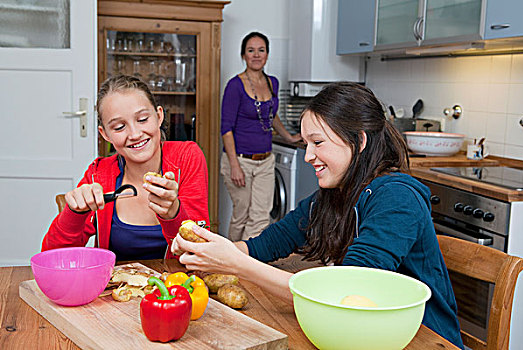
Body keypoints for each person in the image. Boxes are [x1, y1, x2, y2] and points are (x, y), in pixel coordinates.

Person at [173, 82, 464, 348]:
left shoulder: (397, 197)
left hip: (422, 339)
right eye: (307, 144)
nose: (308, 155)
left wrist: (237, 265)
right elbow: (269, 243)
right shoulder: (335, 194)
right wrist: (209, 252)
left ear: (359, 141)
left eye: (318, 142)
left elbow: (342, 292)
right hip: (362, 337)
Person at [42, 75, 210, 260]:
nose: (135, 134)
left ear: (159, 116)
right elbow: (53, 258)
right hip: (117, 288)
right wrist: (74, 213)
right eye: (120, 127)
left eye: (143, 119)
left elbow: (200, 255)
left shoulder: (187, 157)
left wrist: (173, 214)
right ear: (105, 134)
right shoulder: (98, 175)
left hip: (175, 287)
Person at [221, 31, 301, 241]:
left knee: (260, 217)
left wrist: (289, 136)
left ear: (267, 54)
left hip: (265, 160)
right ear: (243, 55)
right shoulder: (235, 86)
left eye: (261, 50)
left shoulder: (272, 83)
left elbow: (271, 116)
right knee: (241, 216)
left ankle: (248, 264)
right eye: (251, 50)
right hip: (239, 161)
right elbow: (226, 128)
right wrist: (234, 166)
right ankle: (230, 261)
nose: (256, 55)